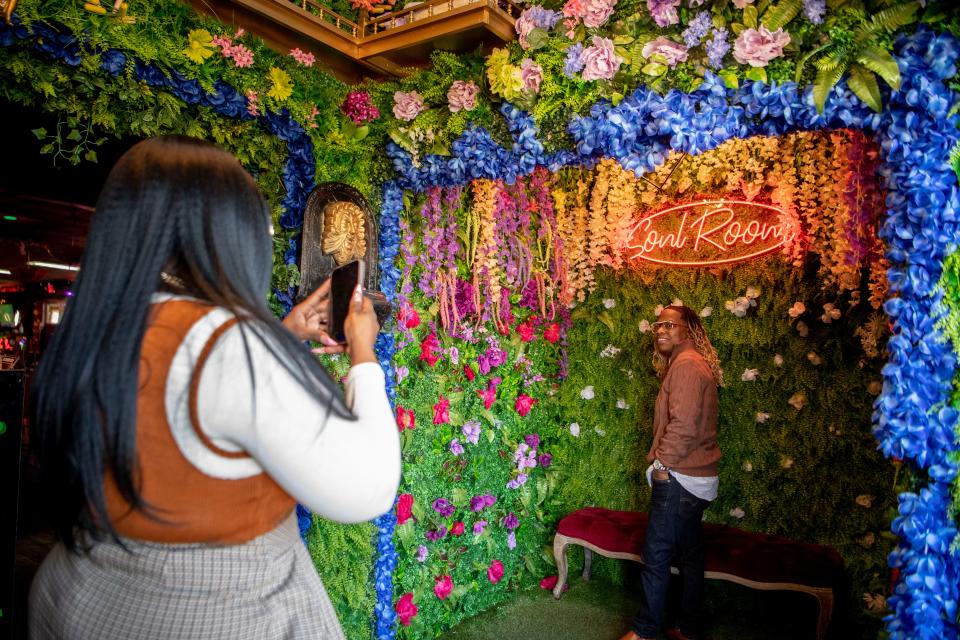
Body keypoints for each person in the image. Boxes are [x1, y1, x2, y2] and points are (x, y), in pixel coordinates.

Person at [28, 136, 401, 639]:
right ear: (231, 235)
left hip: (81, 596)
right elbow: (366, 489)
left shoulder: (96, 323)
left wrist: (281, 334)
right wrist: (362, 354)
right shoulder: (231, 345)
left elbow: (181, 399)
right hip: (209, 611)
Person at [621, 305, 723, 640]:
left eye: (670, 324)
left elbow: (684, 426)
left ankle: (646, 631)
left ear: (689, 330)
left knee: (657, 553)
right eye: (657, 324)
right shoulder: (688, 363)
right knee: (690, 553)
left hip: (681, 475)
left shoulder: (687, 366)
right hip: (695, 475)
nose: (661, 330)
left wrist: (662, 465)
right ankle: (687, 626)